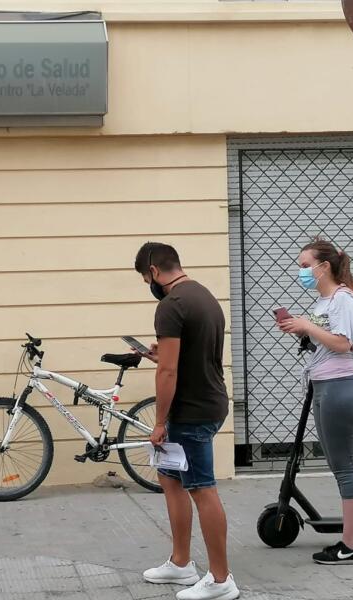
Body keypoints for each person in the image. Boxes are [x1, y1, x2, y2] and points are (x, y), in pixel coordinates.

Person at [134, 242, 240, 600]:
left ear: (152, 271)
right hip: (209, 399)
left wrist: (159, 422)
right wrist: (159, 355)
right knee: (170, 479)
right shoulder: (204, 296)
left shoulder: (170, 306)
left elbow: (168, 370)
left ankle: (221, 580)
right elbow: (184, 357)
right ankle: (181, 564)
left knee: (201, 488)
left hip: (191, 411)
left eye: (144, 277)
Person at [277, 238, 353, 565]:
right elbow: (324, 342)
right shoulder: (325, 302)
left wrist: (307, 325)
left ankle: (351, 544)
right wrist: (300, 329)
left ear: (324, 266)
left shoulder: (344, 299)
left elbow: (344, 344)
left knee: (345, 468)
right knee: (341, 465)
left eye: (306, 266)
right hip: (326, 387)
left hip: (340, 387)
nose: (302, 272)